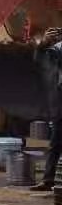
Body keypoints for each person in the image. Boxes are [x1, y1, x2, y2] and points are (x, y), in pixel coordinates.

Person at [30, 26, 62, 191]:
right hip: (59, 105)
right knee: (55, 144)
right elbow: (40, 60)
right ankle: (48, 180)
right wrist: (44, 44)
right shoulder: (55, 51)